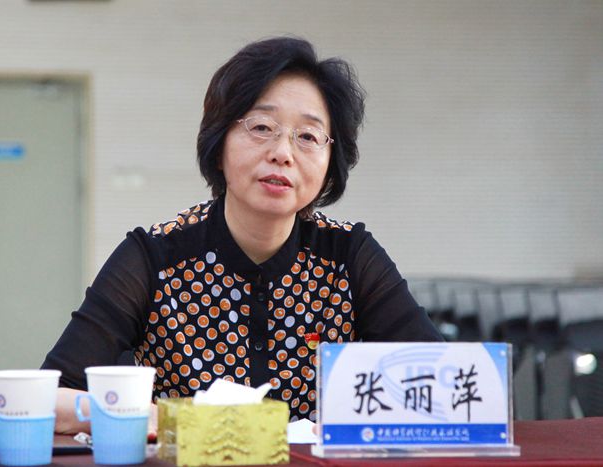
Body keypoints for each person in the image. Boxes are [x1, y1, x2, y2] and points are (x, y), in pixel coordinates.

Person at [41, 36, 443, 434]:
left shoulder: (349, 255)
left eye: (307, 136)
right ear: (219, 145)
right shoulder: (155, 257)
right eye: (262, 127)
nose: (283, 153)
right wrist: (161, 418)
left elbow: (444, 385)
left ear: (329, 163)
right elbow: (50, 398)